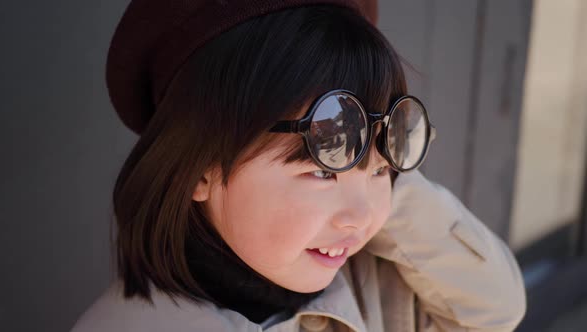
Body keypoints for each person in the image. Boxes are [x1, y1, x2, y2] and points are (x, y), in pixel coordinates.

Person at [70, 1, 526, 331]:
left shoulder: (378, 283)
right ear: (199, 169)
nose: (361, 215)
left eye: (383, 168)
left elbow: (494, 310)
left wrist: (377, 176)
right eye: (322, 171)